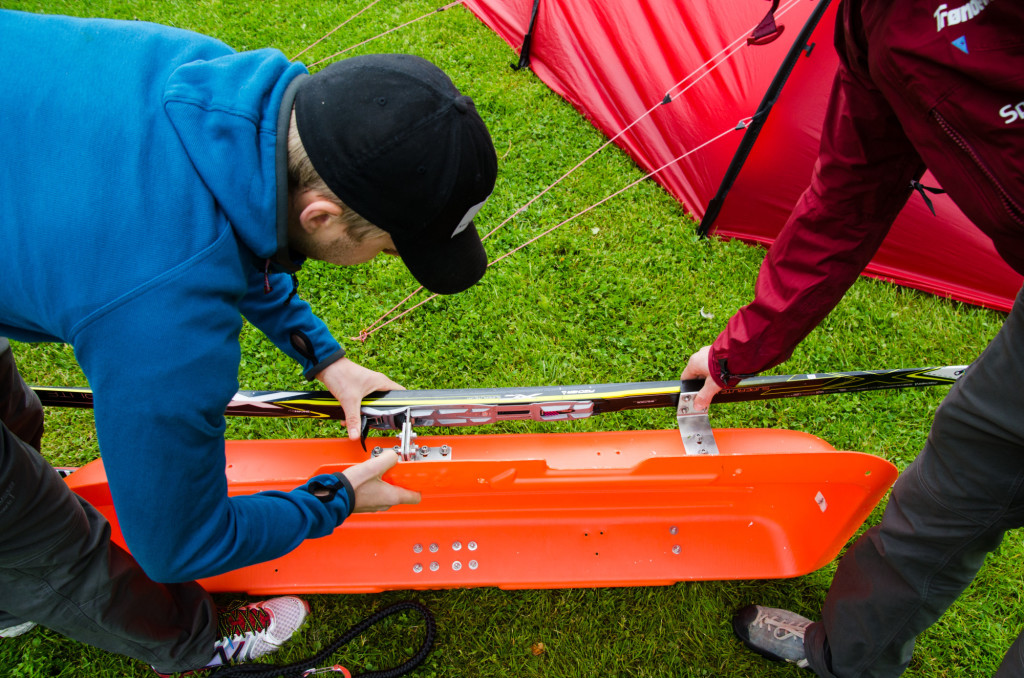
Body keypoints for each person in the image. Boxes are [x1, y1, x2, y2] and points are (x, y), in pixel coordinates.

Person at [0, 7, 497, 676]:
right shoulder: (166, 317)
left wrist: (327, 358)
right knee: (35, 530)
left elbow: (235, 226)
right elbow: (178, 544)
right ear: (319, 215)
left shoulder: (216, 89)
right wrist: (334, 501)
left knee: (12, 418)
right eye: (385, 246)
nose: (382, 259)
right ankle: (189, 641)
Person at [681, 0, 1024, 675]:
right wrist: (738, 350)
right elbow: (850, 192)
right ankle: (846, 658)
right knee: (961, 476)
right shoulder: (876, 19)